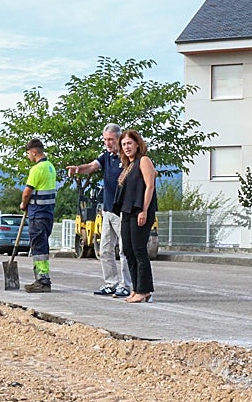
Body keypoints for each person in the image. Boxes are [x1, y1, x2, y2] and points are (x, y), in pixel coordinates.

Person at [65, 123, 131, 299]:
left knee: (125, 249)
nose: (108, 143)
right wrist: (78, 169)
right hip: (108, 209)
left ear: (119, 138)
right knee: (105, 249)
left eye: (111, 139)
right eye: (105, 140)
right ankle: (111, 283)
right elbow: (92, 166)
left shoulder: (127, 158)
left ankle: (127, 285)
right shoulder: (106, 156)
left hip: (122, 210)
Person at [112, 129, 158, 303]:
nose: (126, 147)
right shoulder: (128, 165)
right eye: (123, 144)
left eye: (129, 143)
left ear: (137, 144)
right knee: (128, 250)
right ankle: (136, 288)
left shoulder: (143, 161)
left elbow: (150, 187)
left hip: (140, 210)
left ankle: (145, 290)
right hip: (127, 211)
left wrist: (144, 210)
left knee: (139, 250)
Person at [19, 138, 57, 293]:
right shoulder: (50, 167)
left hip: (37, 214)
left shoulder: (37, 169)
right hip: (48, 214)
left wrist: (23, 204)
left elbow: (27, 191)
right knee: (43, 246)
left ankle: (42, 280)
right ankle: (43, 277)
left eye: (28, 153)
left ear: (34, 152)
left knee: (38, 247)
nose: (28, 156)